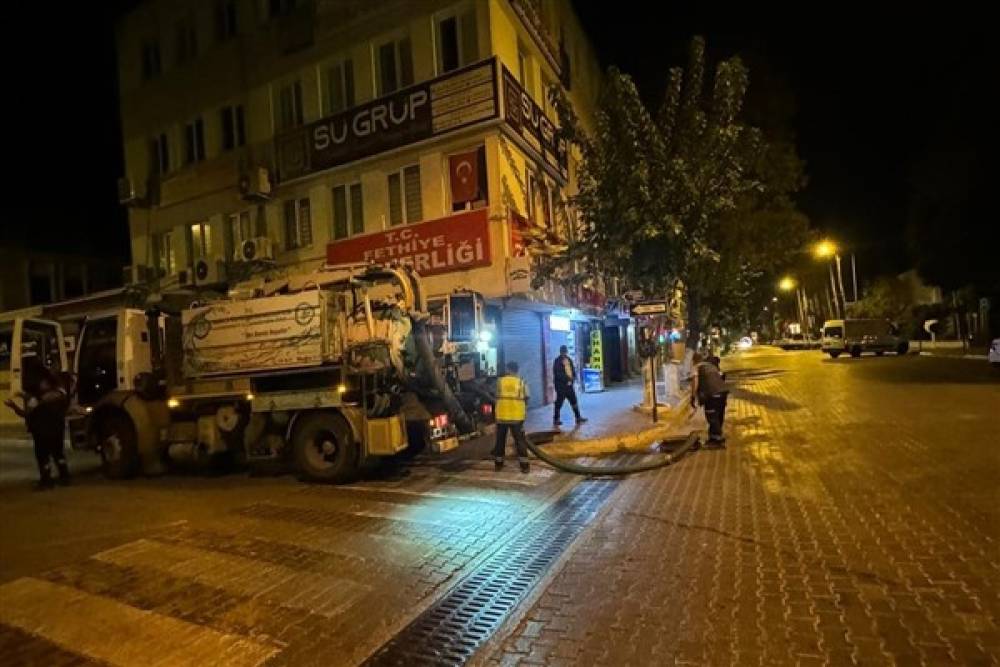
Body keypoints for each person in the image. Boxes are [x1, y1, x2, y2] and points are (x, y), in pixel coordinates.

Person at [4, 369, 71, 489]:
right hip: (57, 429)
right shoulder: (60, 394)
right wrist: (24, 396)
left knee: (43, 457)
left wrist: (13, 406)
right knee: (58, 454)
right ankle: (65, 477)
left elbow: (26, 413)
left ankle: (46, 480)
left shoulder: (37, 399)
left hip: (41, 431)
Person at [494, 361, 532, 473]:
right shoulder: (521, 382)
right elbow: (527, 397)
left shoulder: (500, 382)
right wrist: (524, 408)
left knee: (500, 441)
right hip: (516, 417)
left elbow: (496, 395)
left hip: (502, 416)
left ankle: (498, 464)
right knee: (520, 441)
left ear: (508, 369)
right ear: (517, 370)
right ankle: (524, 466)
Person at [690, 353, 729, 446]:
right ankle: (715, 436)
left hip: (711, 393)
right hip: (723, 392)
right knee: (719, 414)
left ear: (694, 361)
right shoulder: (711, 366)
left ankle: (717, 439)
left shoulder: (697, 367)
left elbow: (695, 381)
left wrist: (693, 396)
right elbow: (721, 376)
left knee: (711, 415)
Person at [552, 345, 587, 428]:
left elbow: (572, 370)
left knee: (574, 401)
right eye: (563, 352)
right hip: (561, 387)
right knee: (559, 403)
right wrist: (567, 378)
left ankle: (578, 417)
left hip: (569, 386)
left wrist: (573, 378)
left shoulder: (569, 360)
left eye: (565, 352)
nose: (564, 353)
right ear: (560, 352)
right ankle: (556, 419)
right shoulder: (557, 361)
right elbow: (558, 374)